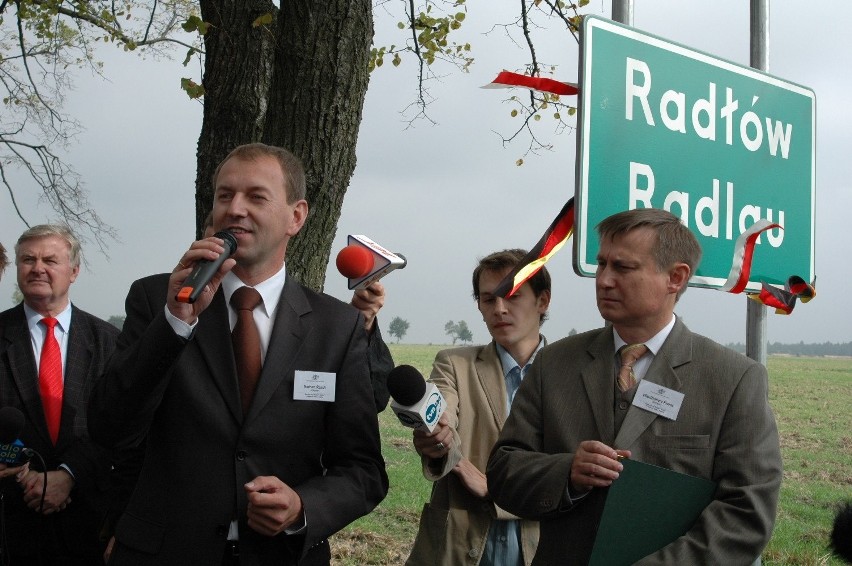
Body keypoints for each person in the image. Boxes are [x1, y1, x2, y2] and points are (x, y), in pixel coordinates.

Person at [88, 143, 388, 565]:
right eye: (224, 196)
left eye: (256, 196)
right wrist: (175, 322)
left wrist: (303, 506)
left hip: (280, 554)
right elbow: (110, 427)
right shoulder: (157, 299)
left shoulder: (336, 327)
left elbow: (363, 470)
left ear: (296, 217)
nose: (235, 209)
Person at [487, 208, 783, 565]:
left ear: (676, 277)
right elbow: (503, 472)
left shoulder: (733, 379)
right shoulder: (554, 364)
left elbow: (746, 512)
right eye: (601, 264)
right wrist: (568, 473)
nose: (604, 280)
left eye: (623, 268)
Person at [407, 249, 548, 566]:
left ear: (543, 301)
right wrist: (439, 443)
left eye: (512, 296)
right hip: (459, 545)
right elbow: (442, 417)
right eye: (488, 300)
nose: (499, 309)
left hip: (542, 546)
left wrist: (494, 489)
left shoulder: (570, 373)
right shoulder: (454, 364)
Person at [0, 224, 119, 564]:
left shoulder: (108, 341)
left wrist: (68, 475)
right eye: (28, 259)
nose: (38, 268)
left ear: (74, 271)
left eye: (50, 260)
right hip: (11, 524)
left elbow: (119, 427)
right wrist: (22, 474)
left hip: (88, 522)